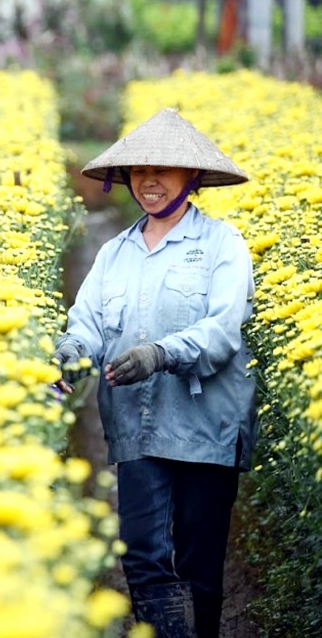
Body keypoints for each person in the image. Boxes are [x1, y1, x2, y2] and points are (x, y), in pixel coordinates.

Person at [53, 108, 257, 638]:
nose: (149, 180)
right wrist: (69, 357)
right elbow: (89, 324)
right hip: (136, 429)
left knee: (199, 561)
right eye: (139, 169)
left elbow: (222, 331)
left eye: (163, 170)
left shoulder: (222, 245)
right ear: (124, 177)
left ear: (191, 177)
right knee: (142, 554)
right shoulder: (114, 254)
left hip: (204, 427)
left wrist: (160, 354)